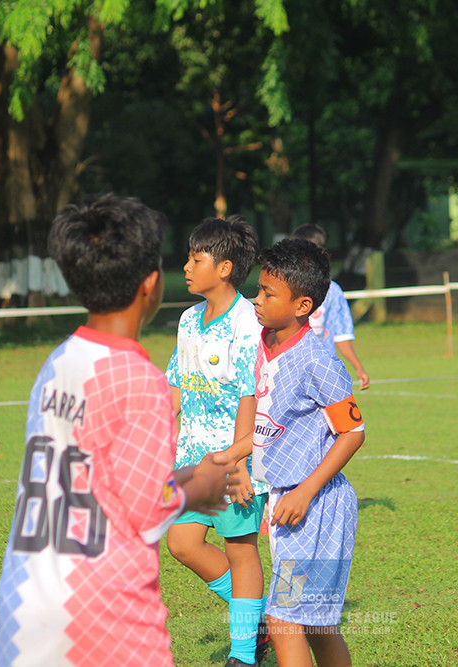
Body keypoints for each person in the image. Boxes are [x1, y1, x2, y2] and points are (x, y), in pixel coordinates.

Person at [0, 194, 238, 667]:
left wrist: (183, 478)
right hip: (101, 613)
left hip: (24, 604)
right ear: (150, 284)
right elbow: (147, 511)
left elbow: (102, 481)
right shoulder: (138, 378)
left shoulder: (57, 362)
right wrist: (200, 487)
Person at [213, 239, 366, 667]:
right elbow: (273, 422)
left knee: (282, 620)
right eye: (257, 289)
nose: (255, 300)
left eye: (267, 294)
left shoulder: (319, 358)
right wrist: (232, 455)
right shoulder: (265, 342)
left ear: (302, 305)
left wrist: (305, 493)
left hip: (314, 508)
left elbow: (353, 432)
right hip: (287, 503)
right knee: (316, 626)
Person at [164, 216, 269, 667]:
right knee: (181, 543)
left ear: (224, 268)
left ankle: (244, 654)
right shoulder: (188, 319)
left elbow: (249, 391)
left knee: (240, 549)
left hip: (233, 459)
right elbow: (176, 386)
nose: (186, 266)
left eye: (196, 258)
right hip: (190, 460)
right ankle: (259, 622)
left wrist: (240, 463)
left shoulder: (248, 320)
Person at [289, 225, 369, 389]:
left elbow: (340, 334)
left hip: (325, 374)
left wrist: (358, 366)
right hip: (291, 374)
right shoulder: (284, 289)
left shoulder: (333, 291)